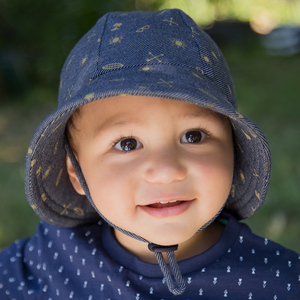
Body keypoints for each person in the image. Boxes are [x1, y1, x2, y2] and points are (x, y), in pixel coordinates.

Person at [0, 9, 299, 299]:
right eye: (127, 144)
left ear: (232, 152)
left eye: (193, 136)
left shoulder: (280, 282)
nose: (167, 170)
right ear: (76, 173)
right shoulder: (45, 262)